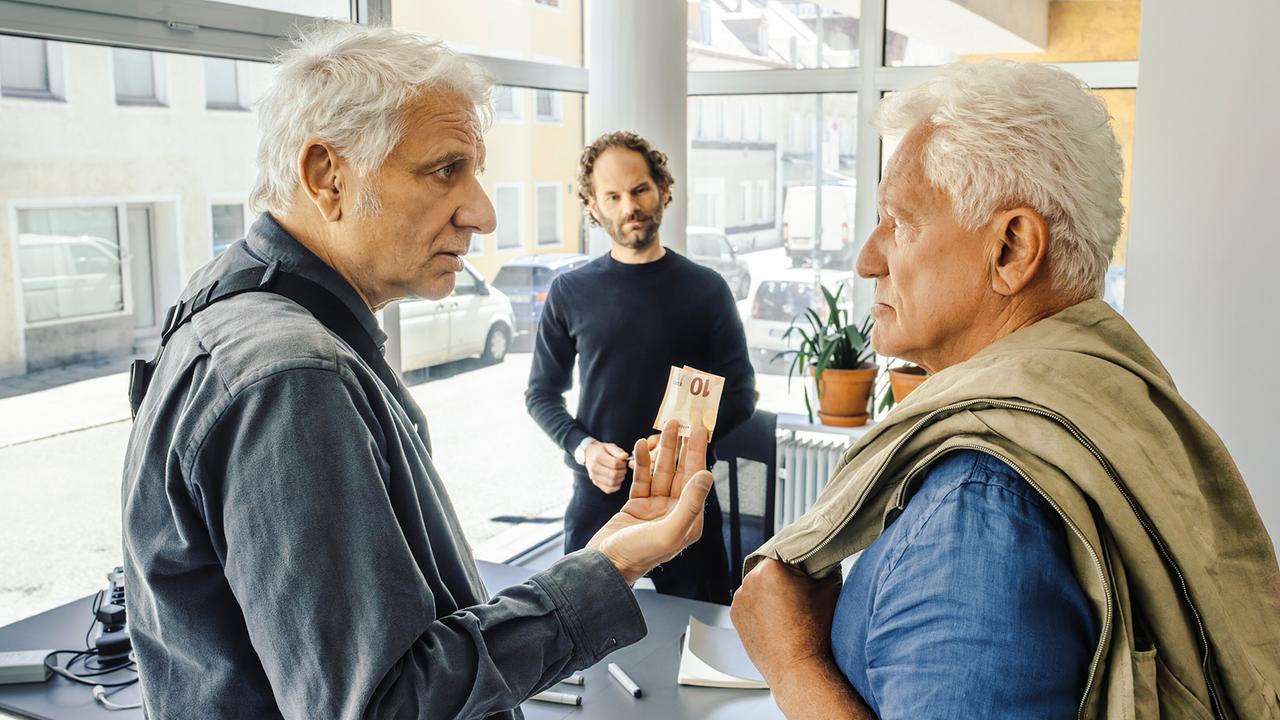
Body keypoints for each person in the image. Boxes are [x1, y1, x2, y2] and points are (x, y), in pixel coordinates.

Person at [121, 24, 719, 719]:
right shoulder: (290, 376)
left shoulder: (241, 308)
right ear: (327, 176)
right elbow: (385, 705)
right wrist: (608, 571)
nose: (483, 213)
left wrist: (605, 559)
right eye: (445, 170)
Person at [731, 60, 1280, 719]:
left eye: (901, 222)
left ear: (1013, 248)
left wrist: (794, 669)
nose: (868, 259)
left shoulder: (979, 500)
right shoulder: (1121, 401)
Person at [525, 131, 756, 605]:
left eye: (640, 190)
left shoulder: (707, 289)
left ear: (664, 189)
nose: (629, 205)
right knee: (577, 630)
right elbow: (541, 395)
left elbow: (742, 394)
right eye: (612, 196)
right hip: (598, 496)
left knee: (700, 636)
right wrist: (584, 449)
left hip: (685, 496)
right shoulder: (570, 292)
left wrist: (682, 449)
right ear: (594, 207)